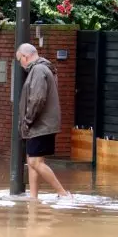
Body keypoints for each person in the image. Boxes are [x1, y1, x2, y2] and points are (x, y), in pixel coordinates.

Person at [15, 43, 72, 200]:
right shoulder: (42, 69)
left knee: (35, 161)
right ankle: (33, 198)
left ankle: (63, 193)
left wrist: (27, 120)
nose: (21, 64)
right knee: (33, 160)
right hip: (41, 125)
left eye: (20, 60)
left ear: (25, 57)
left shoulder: (38, 70)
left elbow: (38, 98)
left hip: (40, 125)